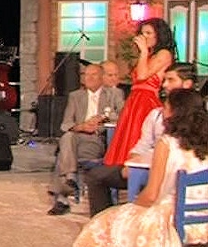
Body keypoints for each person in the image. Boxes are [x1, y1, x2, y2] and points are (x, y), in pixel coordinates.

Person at [73, 88, 208, 247]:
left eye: (166, 106)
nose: (162, 111)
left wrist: (134, 207)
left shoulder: (167, 144)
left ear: (175, 113)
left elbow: (151, 194)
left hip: (172, 216)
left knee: (113, 221)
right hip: (203, 218)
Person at [85, 62, 197, 216]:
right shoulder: (156, 114)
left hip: (175, 177)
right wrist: (132, 162)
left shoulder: (196, 120)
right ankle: (102, 217)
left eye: (171, 80)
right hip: (146, 167)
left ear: (187, 84)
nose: (164, 85)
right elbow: (142, 145)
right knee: (96, 175)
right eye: (164, 80)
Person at [47, 64, 125, 215]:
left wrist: (103, 117)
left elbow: (123, 115)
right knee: (67, 137)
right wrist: (82, 126)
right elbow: (66, 124)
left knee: (64, 153)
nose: (88, 78)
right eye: (86, 75)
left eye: (93, 74)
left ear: (102, 77)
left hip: (96, 138)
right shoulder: (75, 96)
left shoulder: (114, 94)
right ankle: (70, 176)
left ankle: (63, 197)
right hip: (77, 135)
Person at [103, 18, 174, 166]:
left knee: (138, 133)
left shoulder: (164, 54)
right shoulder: (149, 55)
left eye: (148, 33)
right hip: (135, 99)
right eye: (142, 33)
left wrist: (143, 52)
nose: (144, 37)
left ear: (158, 35)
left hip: (146, 100)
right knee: (126, 134)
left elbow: (142, 75)